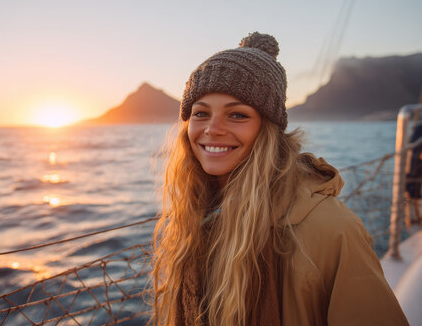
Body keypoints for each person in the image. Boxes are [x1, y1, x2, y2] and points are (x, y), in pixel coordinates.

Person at [151, 32, 408, 326]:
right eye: (201, 113)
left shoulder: (332, 230)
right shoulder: (196, 215)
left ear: (267, 129)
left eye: (237, 115)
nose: (212, 129)